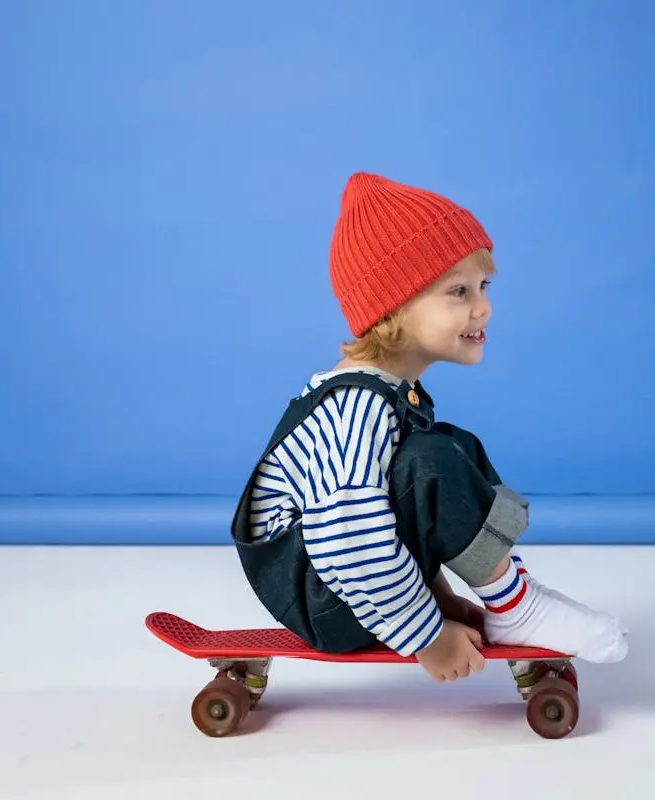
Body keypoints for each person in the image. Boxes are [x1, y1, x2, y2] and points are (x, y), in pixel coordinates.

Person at [229, 172, 628, 683]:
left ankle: (509, 594)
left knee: (448, 448)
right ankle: (519, 610)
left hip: (349, 579)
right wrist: (427, 637)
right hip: (327, 592)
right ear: (392, 308)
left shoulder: (387, 392)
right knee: (431, 466)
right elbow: (350, 540)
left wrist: (439, 599)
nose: (482, 306)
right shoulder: (356, 406)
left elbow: (400, 513)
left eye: (483, 286)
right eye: (458, 291)